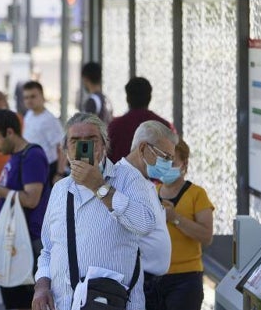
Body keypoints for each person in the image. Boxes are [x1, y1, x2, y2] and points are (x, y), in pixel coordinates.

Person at [32, 113, 157, 310]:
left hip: (111, 302)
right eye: (75, 141)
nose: (84, 146)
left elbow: (145, 224)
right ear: (66, 150)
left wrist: (99, 186)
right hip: (63, 303)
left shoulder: (127, 178)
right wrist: (41, 285)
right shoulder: (60, 188)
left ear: (104, 145)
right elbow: (48, 249)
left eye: (91, 140)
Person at [0, 109, 50, 310]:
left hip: (27, 244)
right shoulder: (14, 156)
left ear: (9, 132)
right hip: (12, 243)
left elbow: (32, 199)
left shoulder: (32, 156)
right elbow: (14, 192)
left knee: (22, 303)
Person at [117, 120, 177, 310]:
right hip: (138, 284)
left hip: (153, 284)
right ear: (143, 148)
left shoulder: (145, 181)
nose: (168, 164)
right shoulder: (122, 180)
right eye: (165, 157)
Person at [156, 138, 214, 310]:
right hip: (153, 276)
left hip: (185, 278)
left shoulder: (197, 194)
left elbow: (206, 236)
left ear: (184, 164)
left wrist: (175, 217)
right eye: (163, 162)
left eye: (172, 162)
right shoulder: (152, 192)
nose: (166, 167)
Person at [108, 77, 174, 162]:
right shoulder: (163, 126)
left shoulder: (115, 126)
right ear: (150, 97)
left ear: (127, 98)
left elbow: (107, 159)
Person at [21, 81, 67, 184]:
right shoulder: (29, 114)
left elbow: (62, 147)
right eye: (26, 97)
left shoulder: (49, 120)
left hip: (47, 169)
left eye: (33, 96)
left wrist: (59, 173)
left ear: (42, 96)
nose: (29, 100)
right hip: (31, 167)